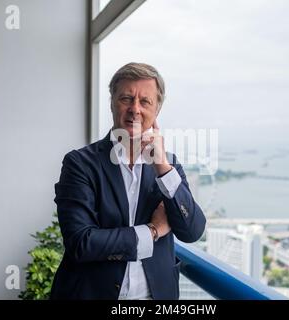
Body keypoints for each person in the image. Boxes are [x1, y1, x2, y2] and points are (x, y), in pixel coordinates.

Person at [50, 62, 206, 300]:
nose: (135, 109)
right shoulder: (79, 163)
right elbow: (81, 243)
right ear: (112, 102)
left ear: (157, 110)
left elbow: (192, 231)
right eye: (126, 99)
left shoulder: (168, 165)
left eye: (145, 101)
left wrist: (162, 167)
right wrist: (152, 231)